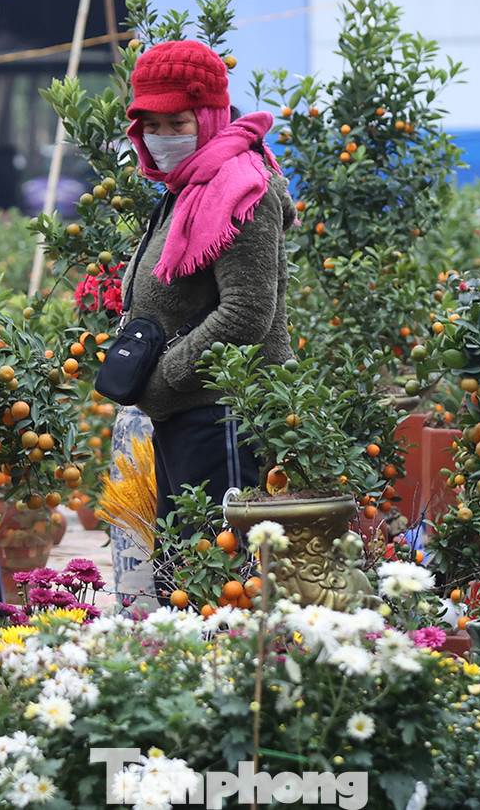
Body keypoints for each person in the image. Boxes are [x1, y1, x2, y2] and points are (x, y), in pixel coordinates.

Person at [121, 40, 296, 582]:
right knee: (182, 566)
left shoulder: (239, 187)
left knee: (218, 573)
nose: (162, 138)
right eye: (151, 125)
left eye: (176, 123)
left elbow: (247, 313)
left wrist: (166, 375)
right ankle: (190, 665)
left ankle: (232, 665)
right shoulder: (188, 184)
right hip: (185, 411)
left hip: (222, 410)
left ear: (209, 115)